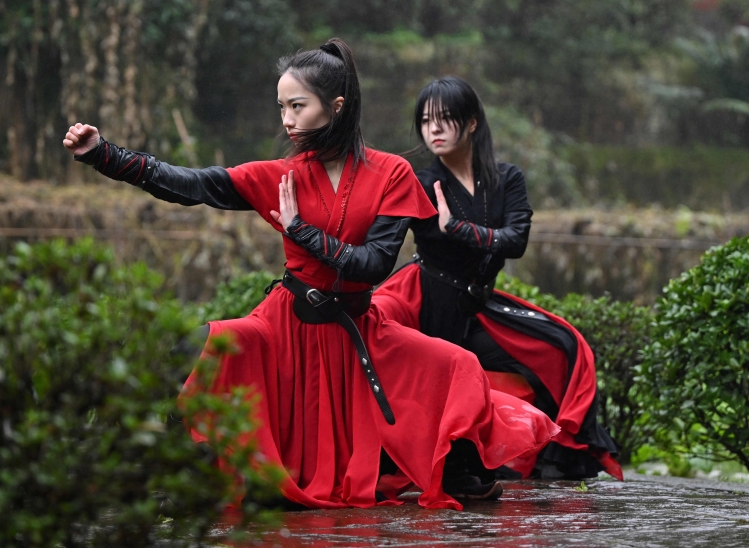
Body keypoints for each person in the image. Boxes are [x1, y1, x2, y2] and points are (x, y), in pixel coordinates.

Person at [62, 40, 558, 509]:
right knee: (201, 345)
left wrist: (299, 229)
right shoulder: (282, 174)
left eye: (297, 106)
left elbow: (374, 264)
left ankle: (457, 472)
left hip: (359, 328)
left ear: (336, 107)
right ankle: (171, 464)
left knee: (457, 365)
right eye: (282, 107)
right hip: (286, 324)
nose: (287, 119)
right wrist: (105, 154)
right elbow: (191, 184)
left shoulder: (392, 173)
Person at [371, 76, 622, 480]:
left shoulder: (507, 179)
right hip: (428, 299)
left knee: (563, 346)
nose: (433, 128)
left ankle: (551, 457)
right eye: (426, 120)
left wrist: (458, 229)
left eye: (445, 118)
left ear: (472, 122)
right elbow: (381, 240)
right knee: (396, 351)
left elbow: (516, 240)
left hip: (478, 304)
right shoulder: (421, 183)